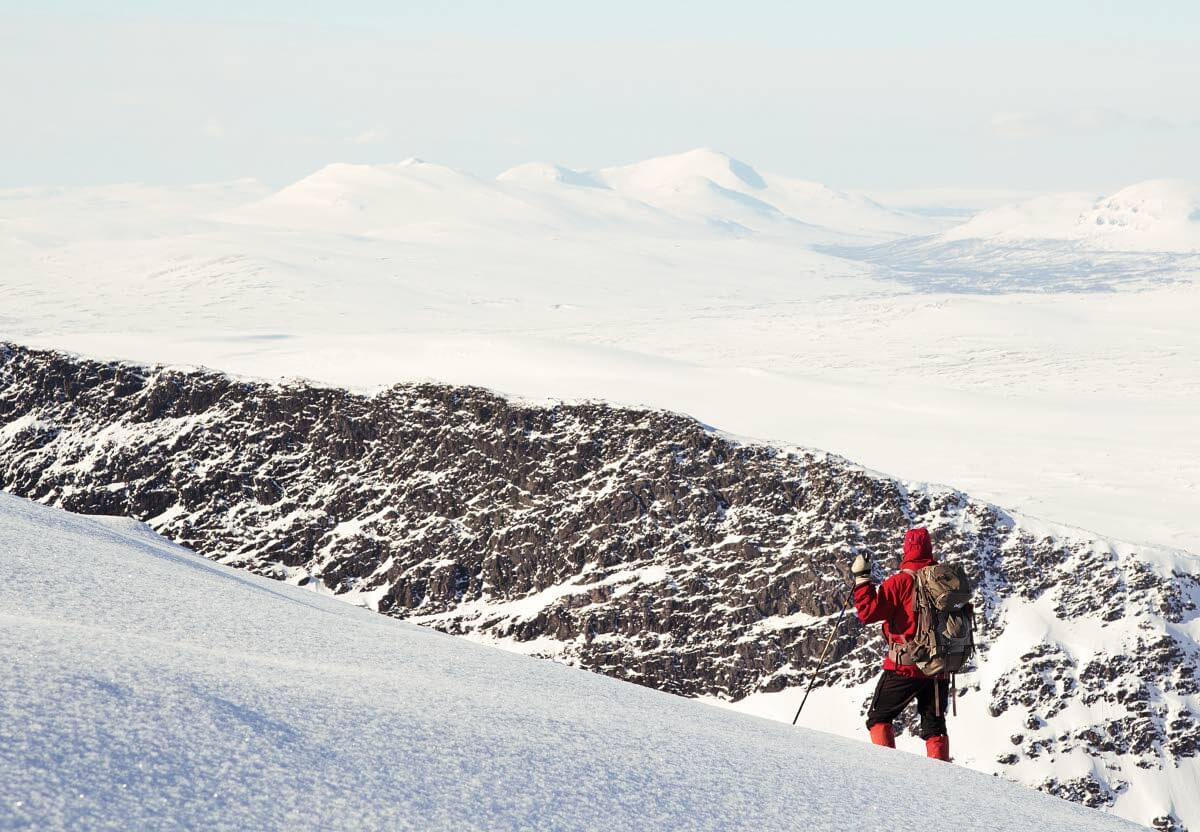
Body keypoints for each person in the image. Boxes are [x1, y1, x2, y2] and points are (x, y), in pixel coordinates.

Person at [850, 527, 951, 761]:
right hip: (939, 667)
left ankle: (889, 770)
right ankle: (943, 777)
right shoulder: (945, 580)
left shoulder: (900, 582)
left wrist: (862, 579)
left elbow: (868, 612)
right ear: (929, 548)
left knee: (879, 718)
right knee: (935, 728)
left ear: (907, 550)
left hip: (905, 666)